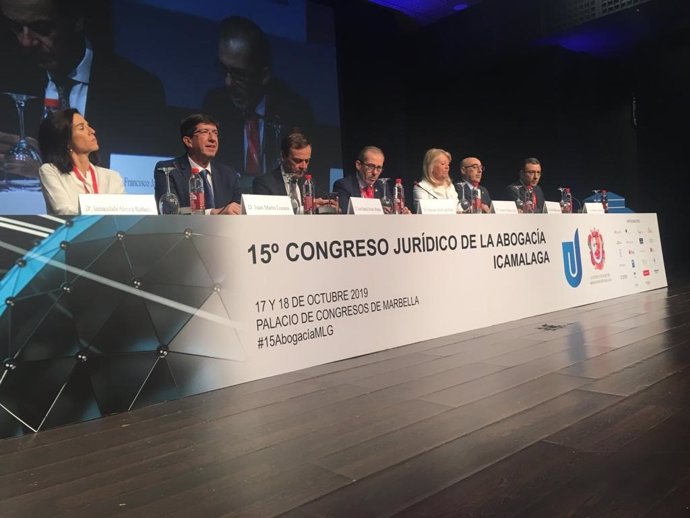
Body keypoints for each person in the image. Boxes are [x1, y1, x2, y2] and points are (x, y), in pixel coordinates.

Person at [0, 0, 166, 168]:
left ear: (76, 20)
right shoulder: (8, 84)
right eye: (17, 28)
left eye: (42, 28)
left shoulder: (139, 88)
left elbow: (140, 173)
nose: (26, 42)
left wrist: (50, 171)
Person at [202, 16, 314, 184]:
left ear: (263, 75)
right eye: (224, 70)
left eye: (239, 75)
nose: (228, 83)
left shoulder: (294, 110)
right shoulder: (215, 105)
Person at [37, 108, 124, 215]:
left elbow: (122, 215)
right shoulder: (50, 171)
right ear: (67, 140)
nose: (92, 131)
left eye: (88, 126)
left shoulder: (112, 177)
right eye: (82, 128)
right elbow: (63, 211)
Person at [154, 114, 242, 215]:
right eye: (205, 132)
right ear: (188, 141)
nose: (213, 139)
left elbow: (239, 208)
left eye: (215, 133)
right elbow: (169, 211)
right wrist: (213, 213)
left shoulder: (229, 173)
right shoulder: (169, 170)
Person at [253, 132, 334, 213]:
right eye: (297, 161)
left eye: (307, 161)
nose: (304, 166)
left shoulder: (309, 182)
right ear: (283, 156)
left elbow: (323, 203)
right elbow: (267, 214)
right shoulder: (264, 183)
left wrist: (330, 206)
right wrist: (305, 210)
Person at [333, 146, 386, 214]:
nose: (375, 172)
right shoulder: (343, 186)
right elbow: (344, 215)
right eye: (370, 167)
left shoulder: (382, 185)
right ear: (358, 165)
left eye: (379, 168)